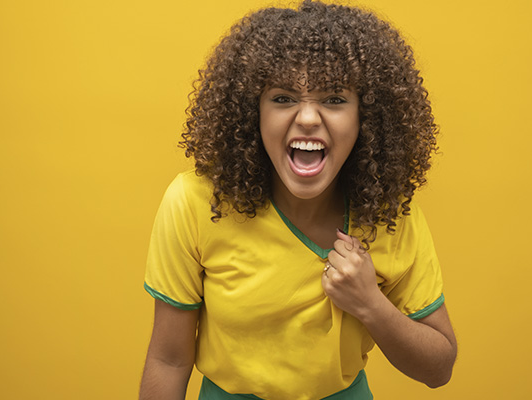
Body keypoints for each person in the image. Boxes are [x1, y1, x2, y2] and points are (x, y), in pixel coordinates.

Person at [139, 1, 456, 399]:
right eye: (283, 98)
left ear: (367, 117)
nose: (307, 118)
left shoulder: (388, 216)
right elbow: (168, 360)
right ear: (251, 113)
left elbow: (439, 366)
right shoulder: (196, 203)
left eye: (335, 99)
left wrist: (371, 304)